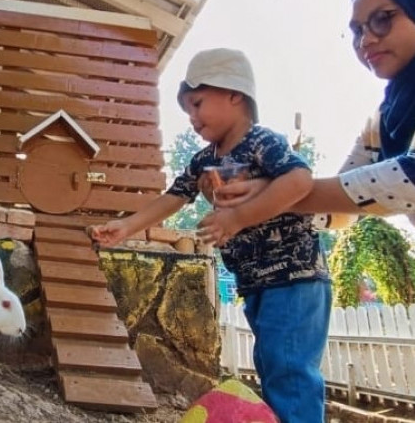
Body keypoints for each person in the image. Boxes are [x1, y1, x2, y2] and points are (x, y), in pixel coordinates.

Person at [88, 48, 332, 423]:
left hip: (295, 277)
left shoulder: (262, 142)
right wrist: (127, 226)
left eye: (198, 104)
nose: (193, 118)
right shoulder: (204, 159)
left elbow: (300, 180)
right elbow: (175, 196)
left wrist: (237, 218)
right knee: (272, 365)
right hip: (255, 281)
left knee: (290, 369)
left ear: (234, 94)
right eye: (187, 111)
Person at [213, 0, 415, 230]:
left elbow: (406, 180)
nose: (366, 40)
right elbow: (345, 205)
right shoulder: (384, 120)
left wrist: (276, 193)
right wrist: (256, 191)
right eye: (357, 31)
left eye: (382, 19)